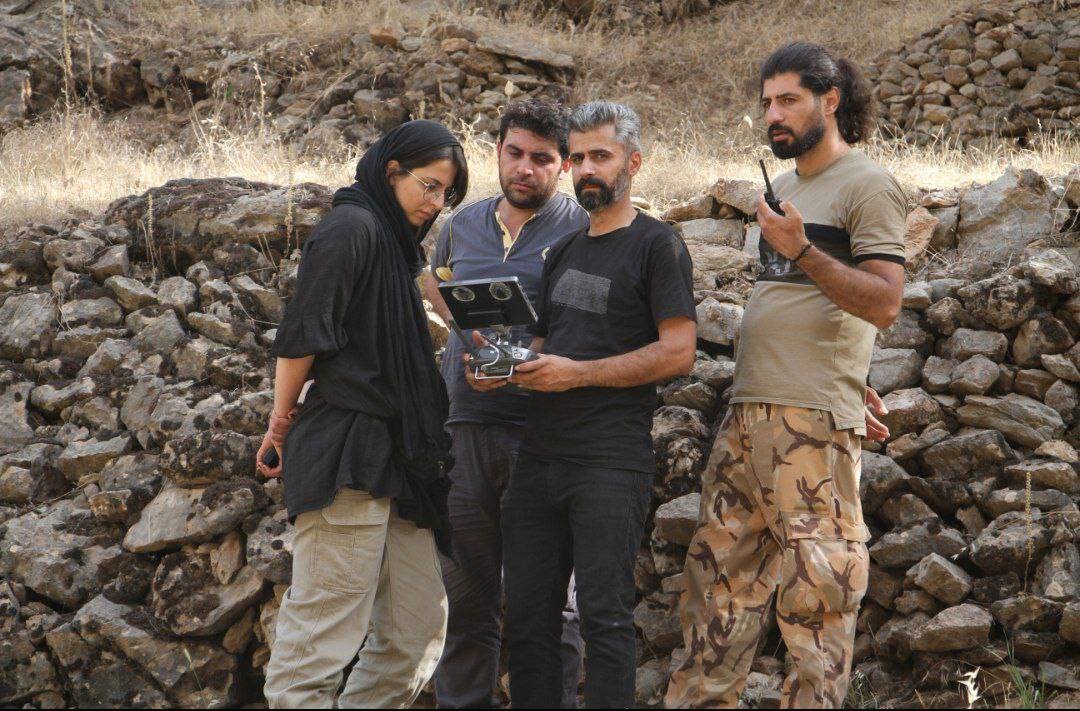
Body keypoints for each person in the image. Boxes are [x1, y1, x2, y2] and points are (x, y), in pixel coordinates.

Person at [665, 42, 906, 709]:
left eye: (789, 100)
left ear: (831, 100)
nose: (773, 114)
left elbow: (884, 302)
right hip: (746, 418)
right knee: (714, 600)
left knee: (816, 610)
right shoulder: (788, 187)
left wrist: (800, 248)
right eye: (767, 102)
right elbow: (805, 306)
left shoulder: (868, 184)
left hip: (811, 427)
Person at [471, 101, 697, 708]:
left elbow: (679, 353)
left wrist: (578, 376)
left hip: (608, 462)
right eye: (578, 158)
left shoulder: (658, 245)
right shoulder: (566, 250)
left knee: (605, 619)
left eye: (602, 155)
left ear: (634, 162)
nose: (587, 169)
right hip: (539, 459)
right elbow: (547, 345)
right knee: (526, 621)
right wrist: (501, 370)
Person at [256, 119, 469, 708]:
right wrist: (279, 422)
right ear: (390, 171)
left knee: (414, 633)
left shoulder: (395, 243)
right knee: (319, 643)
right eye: (429, 186)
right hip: (349, 450)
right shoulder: (349, 228)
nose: (436, 203)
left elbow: (424, 291)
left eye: (446, 193)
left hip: (402, 461)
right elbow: (302, 336)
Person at [420, 99, 588, 709]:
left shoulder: (584, 230)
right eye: (514, 153)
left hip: (543, 437)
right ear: (496, 152)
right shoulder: (460, 224)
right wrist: (470, 340)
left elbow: (591, 326)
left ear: (564, 165)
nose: (525, 168)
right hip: (463, 428)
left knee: (548, 605)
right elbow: (435, 282)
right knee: (464, 599)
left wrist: (525, 362)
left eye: (542, 158)